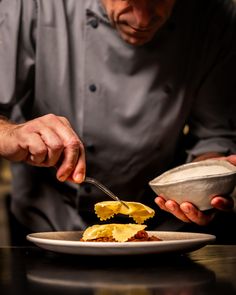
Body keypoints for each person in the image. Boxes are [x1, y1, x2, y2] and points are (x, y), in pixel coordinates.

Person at [0, 0, 236, 244]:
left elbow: (214, 133)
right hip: (48, 227)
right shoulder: (31, 4)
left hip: (165, 231)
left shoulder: (215, 15)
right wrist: (10, 133)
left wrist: (204, 182)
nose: (142, 20)